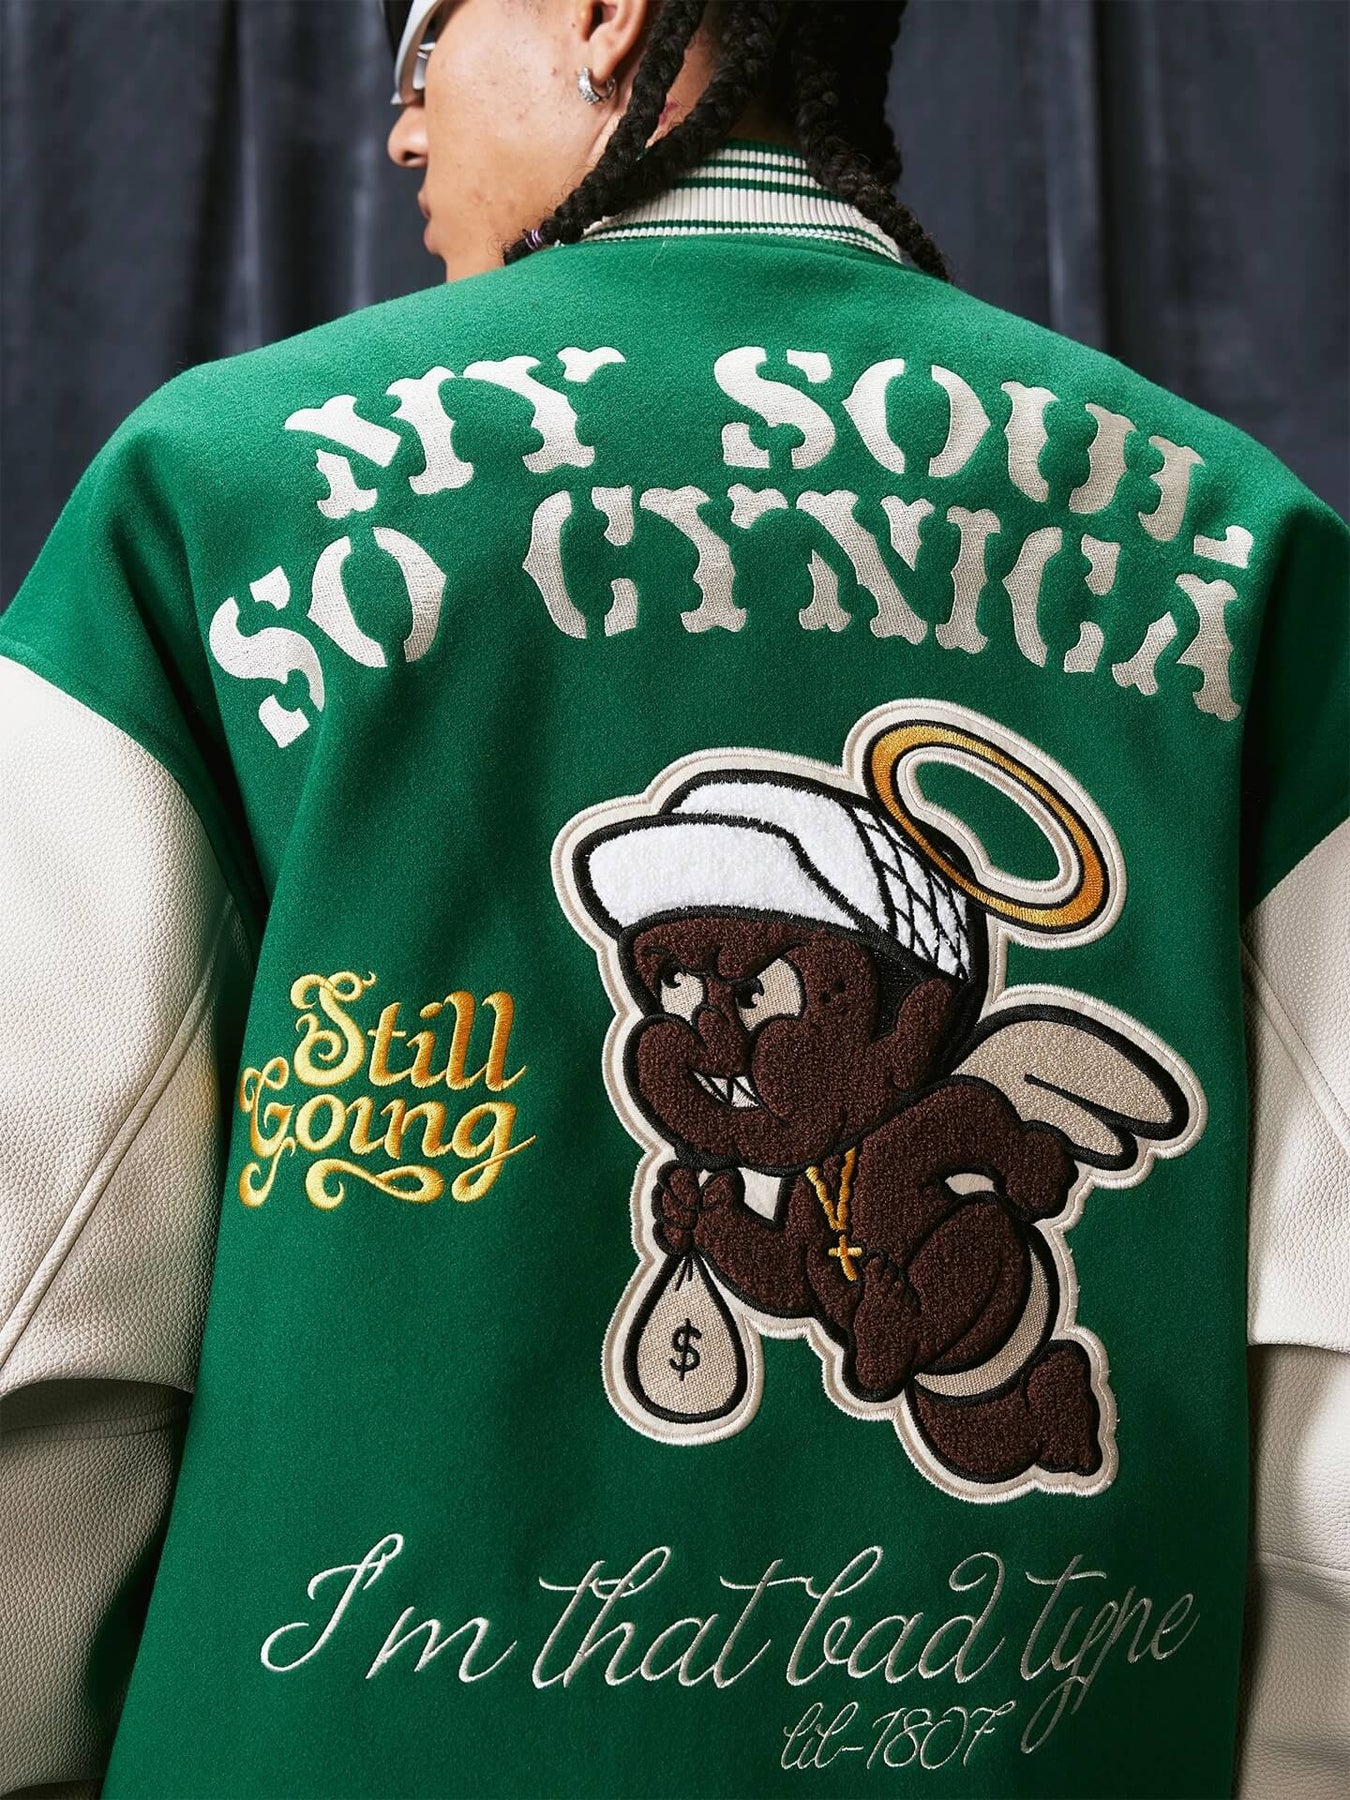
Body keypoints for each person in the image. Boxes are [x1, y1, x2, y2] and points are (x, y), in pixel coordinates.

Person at [0, 1, 1344, 1795]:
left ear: (601, 13)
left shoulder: (208, 490)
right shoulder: (1244, 538)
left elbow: (34, 1281)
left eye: (419, 57)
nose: (401, 136)